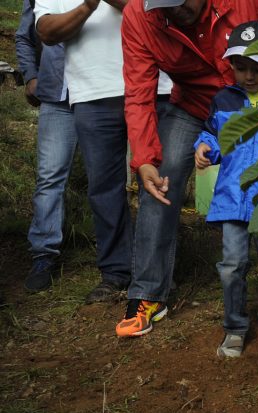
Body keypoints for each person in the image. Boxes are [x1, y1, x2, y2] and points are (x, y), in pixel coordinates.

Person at [116, 0, 258, 337]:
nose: (177, 11)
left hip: (256, 103)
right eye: (167, 6)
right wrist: (145, 158)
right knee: (159, 177)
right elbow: (138, 93)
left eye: (184, 1)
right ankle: (148, 293)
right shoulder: (139, 16)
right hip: (194, 107)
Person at [33, 0, 156, 304]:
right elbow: (46, 31)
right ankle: (115, 274)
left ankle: (155, 274)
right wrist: (87, 5)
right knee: (103, 187)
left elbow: (160, 8)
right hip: (90, 92)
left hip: (152, 85)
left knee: (155, 182)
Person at [194, 21, 258, 363]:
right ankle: (235, 327)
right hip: (233, 202)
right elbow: (213, 136)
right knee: (232, 265)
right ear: (231, 66)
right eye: (241, 68)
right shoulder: (223, 100)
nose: (249, 75)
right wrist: (204, 147)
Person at [15, 0, 77, 293]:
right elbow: (25, 35)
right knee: (50, 176)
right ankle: (43, 254)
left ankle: (116, 257)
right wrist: (31, 76)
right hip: (57, 96)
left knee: (109, 177)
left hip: (103, 94)